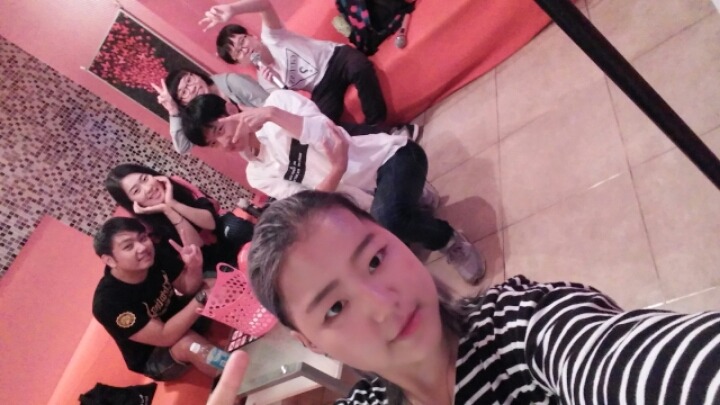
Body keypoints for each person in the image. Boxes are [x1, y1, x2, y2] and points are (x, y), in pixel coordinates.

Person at [206, 191, 720, 405]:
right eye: (335, 308)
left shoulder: (523, 328)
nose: (384, 304)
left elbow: (634, 363)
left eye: (376, 259)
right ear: (310, 342)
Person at [182, 90, 485, 283]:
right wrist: (337, 168)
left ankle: (448, 239)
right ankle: (411, 201)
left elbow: (328, 135)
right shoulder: (256, 174)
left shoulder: (279, 103)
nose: (225, 142)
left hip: (389, 158)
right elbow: (311, 201)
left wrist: (272, 115)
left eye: (220, 129)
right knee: (372, 259)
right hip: (362, 199)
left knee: (391, 219)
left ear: (231, 108)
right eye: (214, 143)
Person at [199, 0, 416, 138]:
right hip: (321, 88)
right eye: (238, 52)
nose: (245, 49)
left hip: (335, 58)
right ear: (240, 63)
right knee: (321, 128)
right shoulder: (265, 80)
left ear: (252, 36)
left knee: (360, 67)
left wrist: (232, 8)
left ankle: (382, 128)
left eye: (242, 41)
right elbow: (293, 103)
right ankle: (373, 140)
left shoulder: (272, 36)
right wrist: (279, 86)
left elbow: (265, 4)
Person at [92, 217, 221, 380]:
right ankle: (242, 378)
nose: (142, 247)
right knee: (190, 345)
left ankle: (251, 324)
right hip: (155, 354)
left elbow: (187, 287)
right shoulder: (107, 303)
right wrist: (201, 300)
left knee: (213, 282)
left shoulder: (152, 255)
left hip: (176, 318)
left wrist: (194, 266)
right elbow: (164, 336)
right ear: (109, 260)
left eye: (142, 238)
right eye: (128, 246)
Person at [105, 163, 254, 273]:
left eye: (144, 179)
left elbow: (211, 223)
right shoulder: (148, 229)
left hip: (222, 233)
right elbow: (197, 247)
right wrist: (167, 210)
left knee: (236, 227)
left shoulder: (176, 184)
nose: (148, 188)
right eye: (136, 191)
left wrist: (172, 203)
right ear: (131, 203)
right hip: (208, 261)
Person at [152, 68, 269, 154]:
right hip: (257, 151)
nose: (192, 88)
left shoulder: (231, 82)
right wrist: (173, 111)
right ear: (183, 104)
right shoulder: (200, 115)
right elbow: (183, 148)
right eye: (184, 92)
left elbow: (271, 103)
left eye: (189, 80)